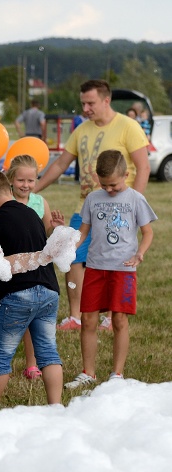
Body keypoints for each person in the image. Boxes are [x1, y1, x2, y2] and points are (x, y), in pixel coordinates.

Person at [34, 80, 149, 331]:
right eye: (83, 103)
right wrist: (34, 187)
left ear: (106, 100)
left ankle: (110, 316)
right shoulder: (81, 130)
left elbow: (143, 166)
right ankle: (76, 316)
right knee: (71, 256)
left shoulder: (128, 126)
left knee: (112, 261)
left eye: (90, 103)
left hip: (118, 212)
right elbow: (60, 164)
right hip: (85, 207)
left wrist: (133, 207)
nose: (85, 108)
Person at [0, 171, 65, 414]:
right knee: (48, 351)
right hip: (48, 291)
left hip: (17, 295)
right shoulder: (32, 213)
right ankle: (56, 408)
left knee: (1, 355)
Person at [64, 150, 156, 389]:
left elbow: (148, 232)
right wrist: (71, 248)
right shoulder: (93, 199)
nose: (110, 189)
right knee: (88, 320)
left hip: (123, 270)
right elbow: (83, 231)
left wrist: (140, 253)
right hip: (95, 267)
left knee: (119, 320)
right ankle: (89, 372)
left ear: (126, 175)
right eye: (104, 185)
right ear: (97, 179)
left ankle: (117, 374)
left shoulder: (135, 199)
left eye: (114, 184)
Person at [7, 154, 61, 379]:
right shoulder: (6, 202)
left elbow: (47, 235)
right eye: (21, 180)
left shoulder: (40, 202)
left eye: (31, 181)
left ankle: (32, 363)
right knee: (14, 316)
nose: (26, 185)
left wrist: (55, 228)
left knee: (34, 315)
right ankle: (3, 357)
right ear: (11, 179)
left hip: (37, 265)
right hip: (14, 263)